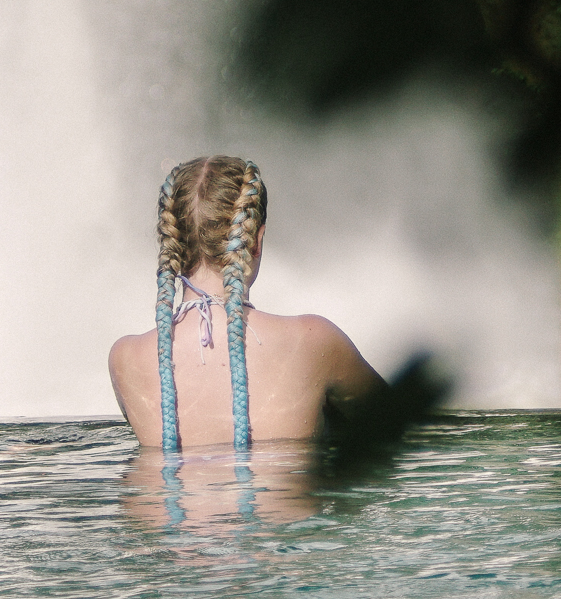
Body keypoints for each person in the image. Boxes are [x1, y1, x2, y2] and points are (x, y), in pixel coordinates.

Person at [109, 156, 383, 451]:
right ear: (256, 241)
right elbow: (401, 420)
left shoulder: (125, 358)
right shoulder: (314, 340)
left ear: (171, 245)